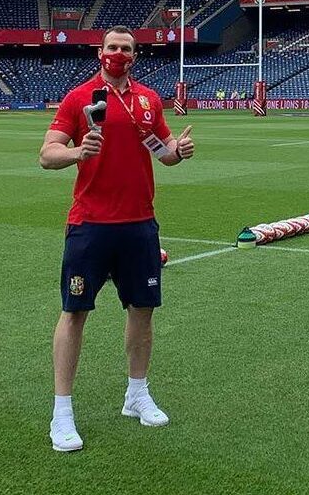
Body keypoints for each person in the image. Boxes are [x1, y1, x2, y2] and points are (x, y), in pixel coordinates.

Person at [39, 26, 196, 453]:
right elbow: (46, 153)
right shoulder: (79, 99)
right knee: (74, 313)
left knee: (142, 310)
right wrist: (77, 152)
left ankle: (137, 395)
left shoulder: (147, 100)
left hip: (139, 223)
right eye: (112, 47)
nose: (119, 54)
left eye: (126, 48)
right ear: (100, 52)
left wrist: (177, 152)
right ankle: (62, 412)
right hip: (90, 224)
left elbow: (162, 152)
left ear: (135, 55)